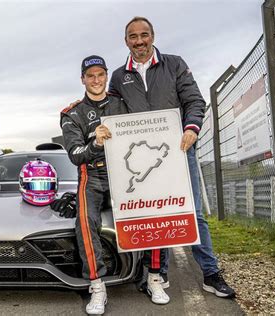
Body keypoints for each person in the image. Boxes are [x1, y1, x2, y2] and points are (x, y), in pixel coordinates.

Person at [109, 16, 236, 301]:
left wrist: (191, 128)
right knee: (151, 212)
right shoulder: (118, 77)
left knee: (192, 212)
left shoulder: (174, 63)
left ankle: (210, 272)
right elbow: (113, 113)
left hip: (178, 151)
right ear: (126, 40)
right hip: (143, 158)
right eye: (133, 36)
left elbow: (194, 101)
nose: (139, 41)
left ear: (152, 36)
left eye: (144, 35)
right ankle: (159, 270)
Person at [60, 55, 127, 315]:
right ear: (83, 79)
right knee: (85, 222)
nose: (96, 80)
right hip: (93, 175)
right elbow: (76, 156)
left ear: (106, 76)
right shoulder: (71, 112)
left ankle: (154, 276)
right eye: (91, 75)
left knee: (148, 213)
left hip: (126, 172)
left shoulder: (122, 104)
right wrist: (96, 143)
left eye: (100, 74)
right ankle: (97, 285)